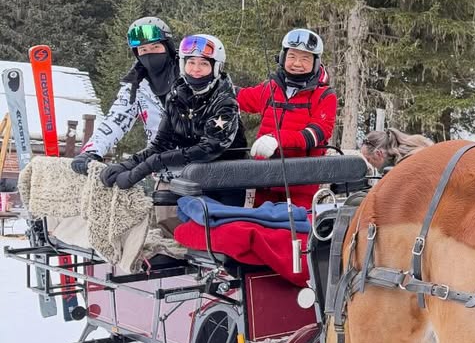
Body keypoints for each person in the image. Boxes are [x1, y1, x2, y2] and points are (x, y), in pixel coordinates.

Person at [101, 33, 244, 191]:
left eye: (203, 63)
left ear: (216, 67)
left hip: (226, 181)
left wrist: (153, 163)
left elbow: (209, 148)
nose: (196, 69)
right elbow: (162, 143)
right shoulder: (177, 97)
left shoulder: (225, 102)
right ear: (183, 64)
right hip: (189, 178)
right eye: (191, 62)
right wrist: (128, 165)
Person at [236, 28, 338, 207]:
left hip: (301, 181)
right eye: (292, 56)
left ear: (315, 62)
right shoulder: (270, 88)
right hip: (264, 179)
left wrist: (277, 139)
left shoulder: (324, 95)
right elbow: (241, 97)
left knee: (294, 231)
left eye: (305, 58)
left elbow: (316, 133)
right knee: (259, 226)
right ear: (283, 57)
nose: (297, 63)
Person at [71, 17, 179, 175]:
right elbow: (116, 120)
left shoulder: (191, 74)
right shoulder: (136, 86)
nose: (149, 54)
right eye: (143, 50)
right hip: (164, 170)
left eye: (155, 47)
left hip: (202, 166)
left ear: (167, 46)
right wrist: (93, 151)